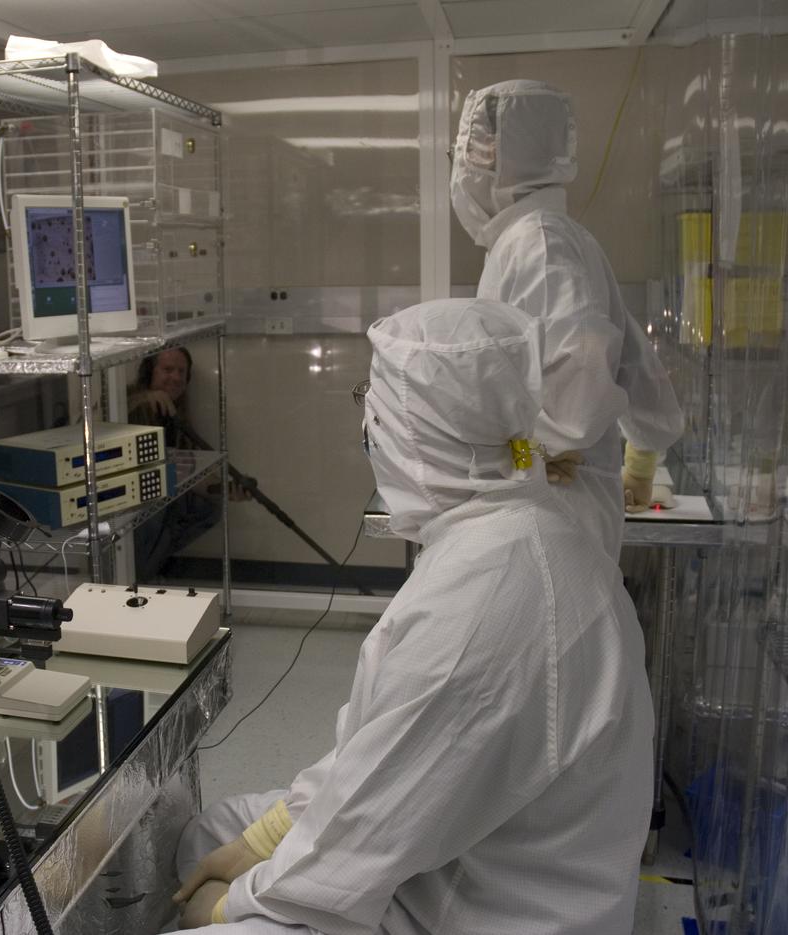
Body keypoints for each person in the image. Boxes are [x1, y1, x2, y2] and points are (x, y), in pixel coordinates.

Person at [172, 297, 653, 934]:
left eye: (373, 403)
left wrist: (230, 907)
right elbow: (377, 756)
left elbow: (356, 849)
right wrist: (259, 842)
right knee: (213, 830)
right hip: (472, 850)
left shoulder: (484, 604)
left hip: (486, 912)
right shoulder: (511, 530)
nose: (366, 426)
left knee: (231, 908)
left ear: (409, 431)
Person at [450, 79, 684, 560]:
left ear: (507, 154)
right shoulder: (545, 238)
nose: (468, 163)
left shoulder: (539, 243)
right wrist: (641, 459)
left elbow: (570, 415)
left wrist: (514, 456)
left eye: (478, 148)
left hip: (552, 507)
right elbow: (634, 361)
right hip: (550, 499)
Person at [128, 347, 221, 581]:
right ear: (149, 372)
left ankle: (146, 571)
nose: (176, 377)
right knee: (155, 512)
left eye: (182, 372)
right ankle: (134, 578)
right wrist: (143, 400)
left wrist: (222, 488)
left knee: (206, 508)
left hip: (160, 492)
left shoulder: (177, 412)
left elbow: (189, 466)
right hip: (128, 502)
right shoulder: (127, 400)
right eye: (168, 370)